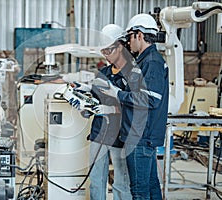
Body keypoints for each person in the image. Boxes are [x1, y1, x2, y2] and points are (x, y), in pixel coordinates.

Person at [98, 13, 169, 200]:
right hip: (141, 135)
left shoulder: (151, 62)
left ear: (139, 34)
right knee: (152, 187)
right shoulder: (145, 60)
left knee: (139, 192)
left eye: (129, 36)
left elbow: (150, 99)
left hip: (140, 136)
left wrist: (118, 94)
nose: (128, 42)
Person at [69, 24, 133, 200]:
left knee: (121, 181)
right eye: (103, 51)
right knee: (97, 178)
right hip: (100, 132)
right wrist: (84, 95)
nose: (105, 55)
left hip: (120, 134)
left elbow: (134, 104)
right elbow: (97, 95)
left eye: (108, 50)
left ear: (120, 46)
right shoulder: (104, 72)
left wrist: (110, 109)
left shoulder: (132, 73)